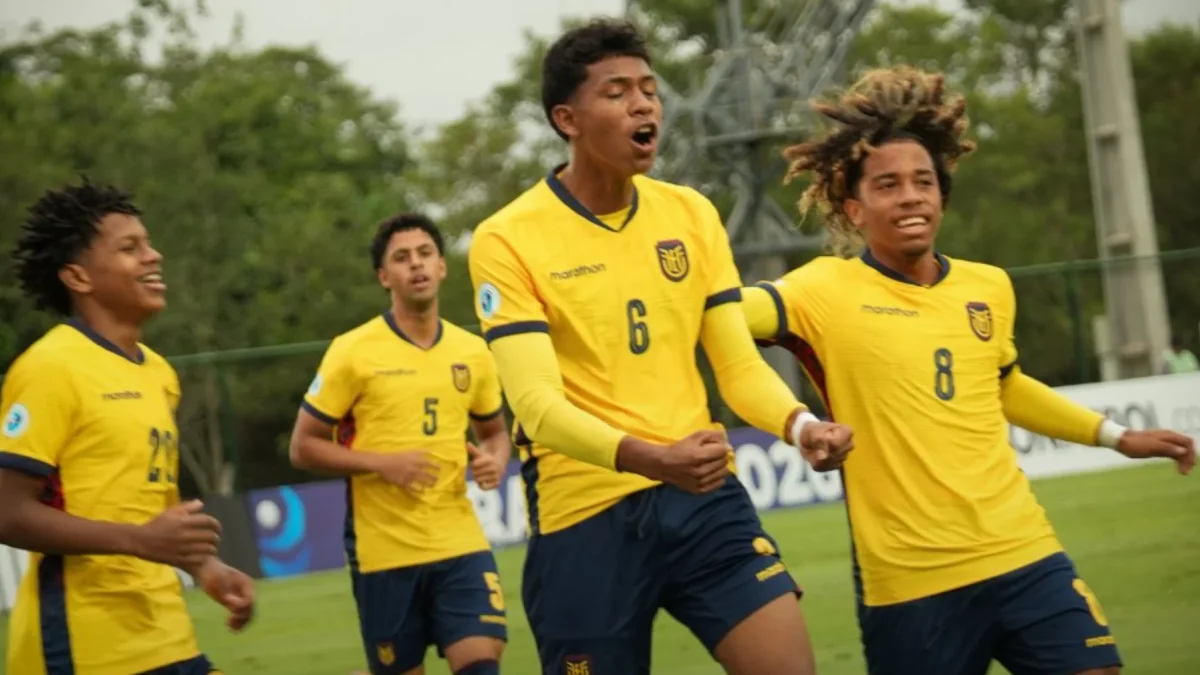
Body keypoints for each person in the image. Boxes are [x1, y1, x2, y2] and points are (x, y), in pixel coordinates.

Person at [740, 65, 1197, 675]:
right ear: (853, 208)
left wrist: (1116, 436)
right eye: (888, 185)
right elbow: (722, 315)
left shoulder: (990, 287)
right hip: (911, 583)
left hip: (1024, 551)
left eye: (924, 182)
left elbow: (1004, 385)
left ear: (942, 196)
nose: (910, 196)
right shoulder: (819, 290)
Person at [467, 18, 854, 675]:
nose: (643, 103)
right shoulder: (507, 239)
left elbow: (737, 367)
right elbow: (536, 407)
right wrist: (652, 457)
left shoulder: (691, 214)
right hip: (585, 519)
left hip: (703, 500)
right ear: (568, 118)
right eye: (617, 92)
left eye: (649, 89)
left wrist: (800, 422)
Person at [0, 178, 256, 675]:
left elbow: (150, 506)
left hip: (167, 635)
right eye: (129, 248)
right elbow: (6, 512)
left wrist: (205, 567)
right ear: (78, 277)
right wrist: (140, 541)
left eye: (149, 243)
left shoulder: (159, 373)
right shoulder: (49, 368)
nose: (153, 256)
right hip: (85, 649)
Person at [289, 213, 513, 675]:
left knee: (482, 665)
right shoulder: (352, 351)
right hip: (384, 549)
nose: (417, 265)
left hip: (459, 541)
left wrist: (493, 460)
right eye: (402, 258)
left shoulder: (472, 352)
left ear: (442, 266)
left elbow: (494, 432)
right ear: (383, 277)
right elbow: (303, 447)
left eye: (426, 254)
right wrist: (382, 464)